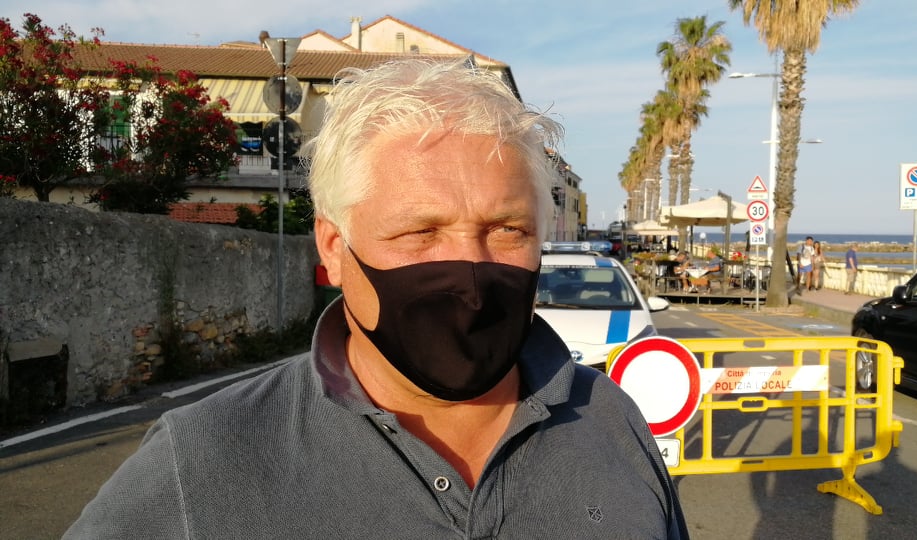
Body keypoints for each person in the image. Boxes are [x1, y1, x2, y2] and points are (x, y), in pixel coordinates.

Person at [65, 59, 688, 539]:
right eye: (421, 231)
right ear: (334, 248)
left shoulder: (611, 422)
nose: (469, 275)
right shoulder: (203, 459)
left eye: (507, 230)